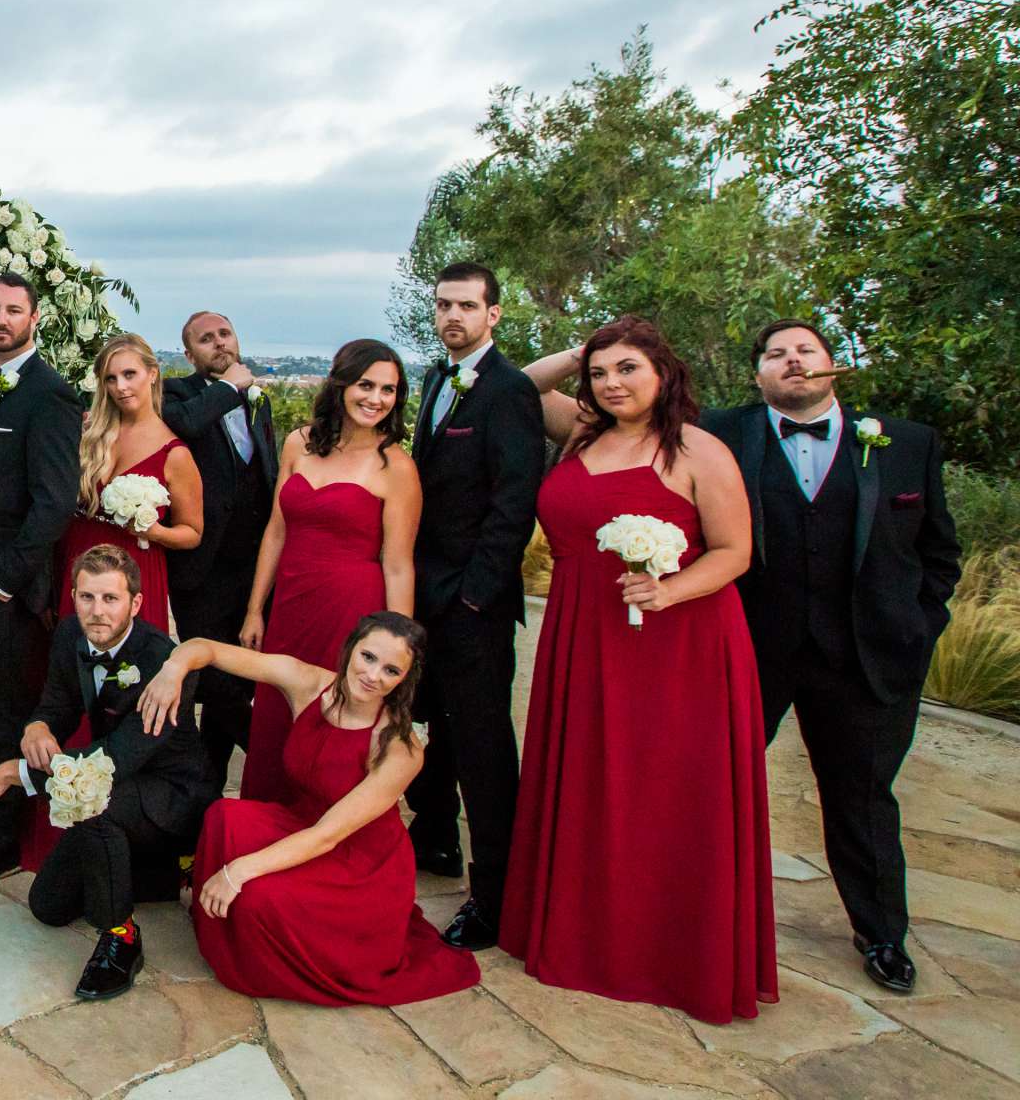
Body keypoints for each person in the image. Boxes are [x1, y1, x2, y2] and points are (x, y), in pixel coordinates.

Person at [504, 315, 776, 1024]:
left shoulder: (698, 450)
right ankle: (585, 936)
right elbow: (523, 386)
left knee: (663, 788)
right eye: (599, 373)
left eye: (628, 368)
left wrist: (668, 589)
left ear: (663, 373)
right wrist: (583, 347)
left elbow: (734, 552)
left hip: (676, 642)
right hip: (582, 632)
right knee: (592, 775)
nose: (611, 383)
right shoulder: (581, 434)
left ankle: (668, 952)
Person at [702, 320, 961, 994]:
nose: (792, 362)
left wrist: (920, 623)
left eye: (805, 351)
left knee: (863, 797)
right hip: (753, 649)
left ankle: (881, 935)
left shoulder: (905, 443)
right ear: (757, 374)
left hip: (867, 657)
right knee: (713, 783)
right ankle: (694, 916)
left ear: (832, 365)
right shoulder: (721, 434)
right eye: (776, 354)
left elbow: (940, 553)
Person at [145, 612, 479, 1008]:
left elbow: (329, 835)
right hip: (300, 823)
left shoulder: (400, 748)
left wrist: (238, 870)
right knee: (223, 817)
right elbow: (209, 649)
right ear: (351, 648)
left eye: (391, 670)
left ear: (405, 679)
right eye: (368, 657)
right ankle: (226, 932)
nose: (373, 676)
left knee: (255, 896)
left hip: (357, 864)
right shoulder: (308, 682)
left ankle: (260, 959)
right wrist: (174, 668)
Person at [0, 545, 213, 1001]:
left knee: (94, 804)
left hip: (171, 794)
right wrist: (37, 726)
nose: (96, 611)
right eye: (86, 597)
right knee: (48, 906)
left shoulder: (162, 663)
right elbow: (56, 706)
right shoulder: (69, 635)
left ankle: (122, 938)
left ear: (136, 604)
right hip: (122, 780)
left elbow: (114, 761)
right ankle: (155, 877)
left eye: (110, 599)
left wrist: (13, 773)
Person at [400, 262, 545, 951]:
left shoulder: (511, 391)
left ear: (494, 314)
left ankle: (494, 895)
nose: (452, 315)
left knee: (484, 749)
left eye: (466, 305)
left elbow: (514, 504)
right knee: (432, 731)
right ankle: (434, 842)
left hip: (473, 604)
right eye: (443, 304)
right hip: (424, 597)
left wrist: (474, 597)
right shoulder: (434, 379)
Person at [0, 272, 84, 884]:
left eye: (13, 310)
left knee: (2, 708)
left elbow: (54, 502)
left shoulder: (49, 393)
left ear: (35, 319)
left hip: (5, 581)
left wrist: (5, 578)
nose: (1, 319)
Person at [238, 340, 417, 802]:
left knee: (334, 722)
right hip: (291, 608)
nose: (376, 398)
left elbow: (398, 565)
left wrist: (400, 647)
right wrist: (256, 609)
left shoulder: (396, 467)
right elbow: (276, 532)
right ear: (341, 385)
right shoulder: (299, 442)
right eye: (366, 385)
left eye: (389, 390)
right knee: (277, 715)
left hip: (351, 612)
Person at [162, 310, 278, 789]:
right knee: (218, 683)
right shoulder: (176, 395)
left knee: (242, 681)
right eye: (206, 340)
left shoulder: (258, 402)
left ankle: (204, 798)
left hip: (254, 572)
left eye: (225, 334)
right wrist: (229, 387)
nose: (220, 344)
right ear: (190, 355)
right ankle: (279, 764)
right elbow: (186, 425)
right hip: (202, 571)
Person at [63, 333, 202, 632]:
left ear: (152, 374)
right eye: (111, 379)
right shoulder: (90, 436)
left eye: (129, 374)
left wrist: (154, 531)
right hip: (78, 565)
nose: (120, 387)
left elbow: (192, 533)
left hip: (133, 572)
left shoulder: (174, 454)